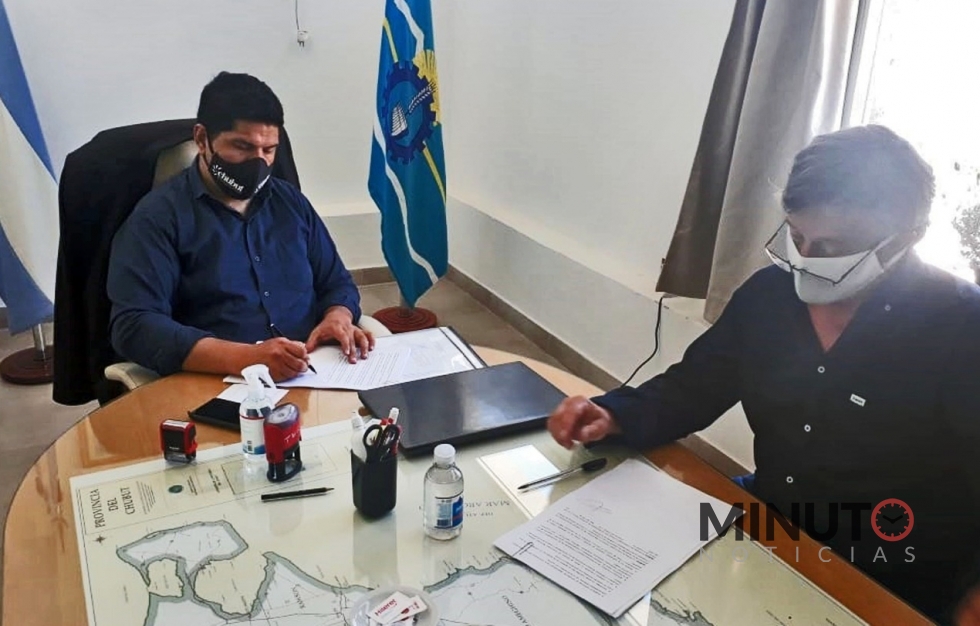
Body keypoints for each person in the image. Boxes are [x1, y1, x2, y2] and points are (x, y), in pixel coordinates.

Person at [547, 125, 980, 623]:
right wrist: (613, 414)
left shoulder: (961, 328)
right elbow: (696, 385)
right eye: (797, 236)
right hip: (770, 519)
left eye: (834, 247)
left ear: (907, 237)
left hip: (895, 566)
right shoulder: (769, 294)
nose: (807, 261)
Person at [108, 72, 373, 382]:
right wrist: (246, 358)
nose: (257, 162)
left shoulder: (291, 203)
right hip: (219, 380)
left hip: (314, 371)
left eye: (269, 150)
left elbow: (336, 282)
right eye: (242, 146)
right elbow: (135, 325)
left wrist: (337, 315)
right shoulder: (158, 218)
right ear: (202, 139)